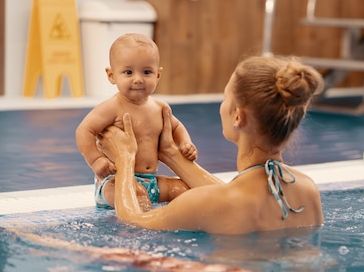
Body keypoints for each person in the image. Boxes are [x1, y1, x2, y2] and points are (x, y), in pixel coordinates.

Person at [97, 54, 325, 234]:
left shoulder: (207, 203)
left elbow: (133, 222)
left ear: (238, 117)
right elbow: (232, 195)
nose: (221, 106)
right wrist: (170, 154)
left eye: (226, 98)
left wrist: (124, 158)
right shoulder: (308, 190)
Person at [75, 33, 197, 210]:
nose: (138, 79)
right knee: (136, 195)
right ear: (111, 75)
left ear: (158, 75)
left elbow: (177, 127)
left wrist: (186, 143)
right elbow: (84, 130)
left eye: (147, 72)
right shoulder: (112, 107)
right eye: (128, 72)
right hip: (115, 182)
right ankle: (138, 228)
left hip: (151, 181)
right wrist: (95, 160)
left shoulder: (159, 107)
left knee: (184, 190)